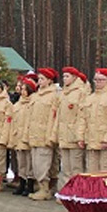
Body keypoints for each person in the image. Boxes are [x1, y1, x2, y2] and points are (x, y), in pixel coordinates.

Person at [77, 68, 107, 172]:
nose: (98, 82)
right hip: (91, 141)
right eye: (96, 80)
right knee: (91, 172)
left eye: (101, 80)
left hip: (105, 143)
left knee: (105, 172)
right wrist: (80, 137)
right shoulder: (89, 98)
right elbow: (82, 120)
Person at [27, 68, 59, 200]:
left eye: (42, 79)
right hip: (34, 135)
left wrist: (51, 135)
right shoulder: (35, 96)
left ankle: (45, 188)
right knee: (36, 163)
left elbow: (54, 118)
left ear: (50, 81)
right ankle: (41, 187)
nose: (39, 82)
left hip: (45, 135)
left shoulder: (54, 96)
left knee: (43, 163)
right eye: (39, 79)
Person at [54, 66, 88, 188]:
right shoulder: (63, 93)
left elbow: (82, 116)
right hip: (64, 135)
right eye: (63, 76)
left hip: (74, 136)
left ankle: (77, 190)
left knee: (76, 167)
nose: (64, 79)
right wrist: (55, 133)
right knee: (65, 167)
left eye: (67, 76)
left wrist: (80, 136)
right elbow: (58, 116)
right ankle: (66, 190)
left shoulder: (81, 92)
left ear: (74, 77)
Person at [9, 76, 36, 195]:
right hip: (18, 136)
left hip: (28, 137)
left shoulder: (33, 103)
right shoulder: (17, 105)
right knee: (21, 162)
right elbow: (13, 121)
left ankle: (30, 185)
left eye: (25, 89)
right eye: (22, 89)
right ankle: (22, 182)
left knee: (29, 162)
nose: (22, 92)